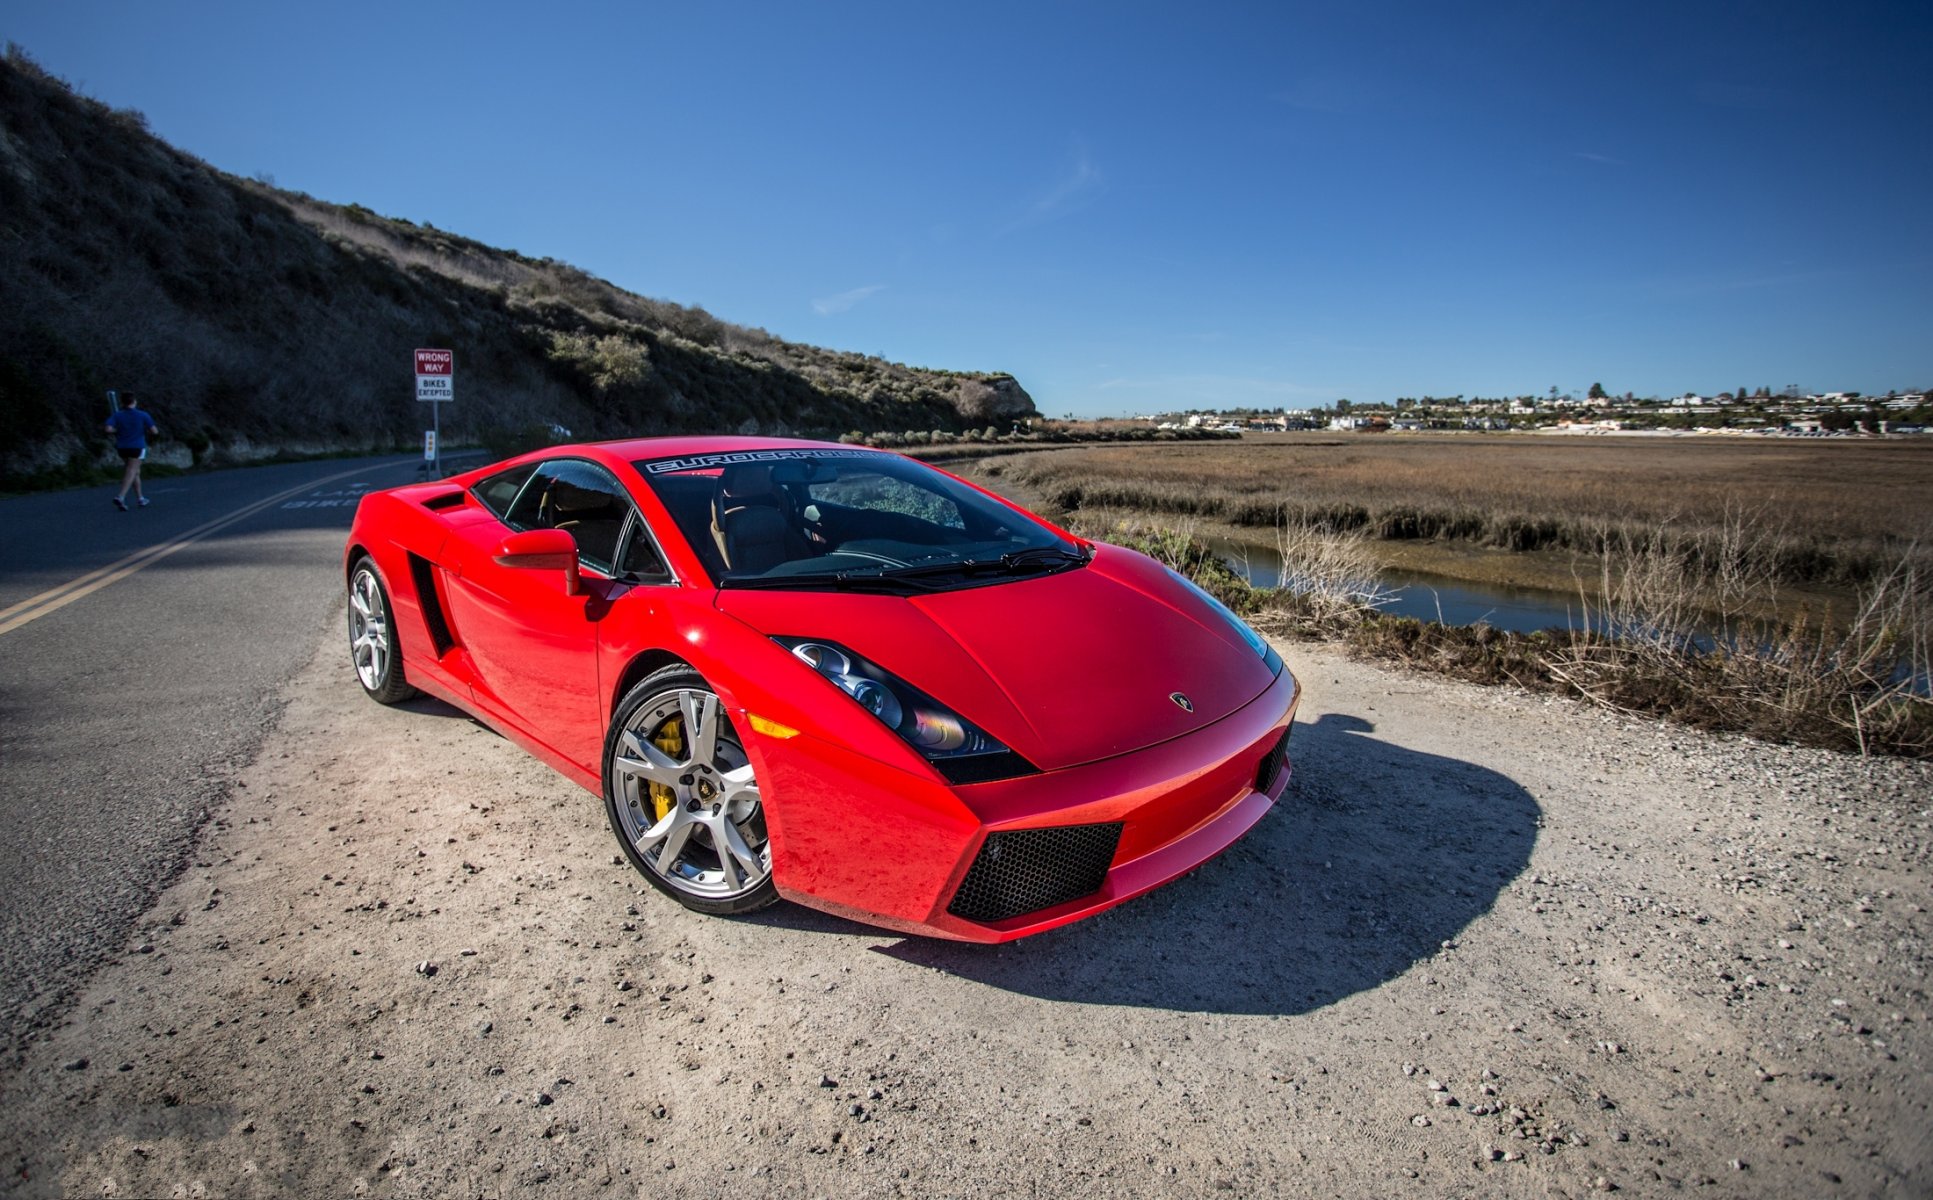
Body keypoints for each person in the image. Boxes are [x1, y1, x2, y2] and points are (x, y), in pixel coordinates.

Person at [104, 392, 160, 511]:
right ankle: (121, 496)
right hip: (137, 446)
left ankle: (140, 498)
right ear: (134, 401)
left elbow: (108, 429)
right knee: (131, 470)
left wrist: (117, 430)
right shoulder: (143, 415)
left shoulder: (118, 415)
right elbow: (155, 431)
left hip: (122, 447)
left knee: (135, 472)